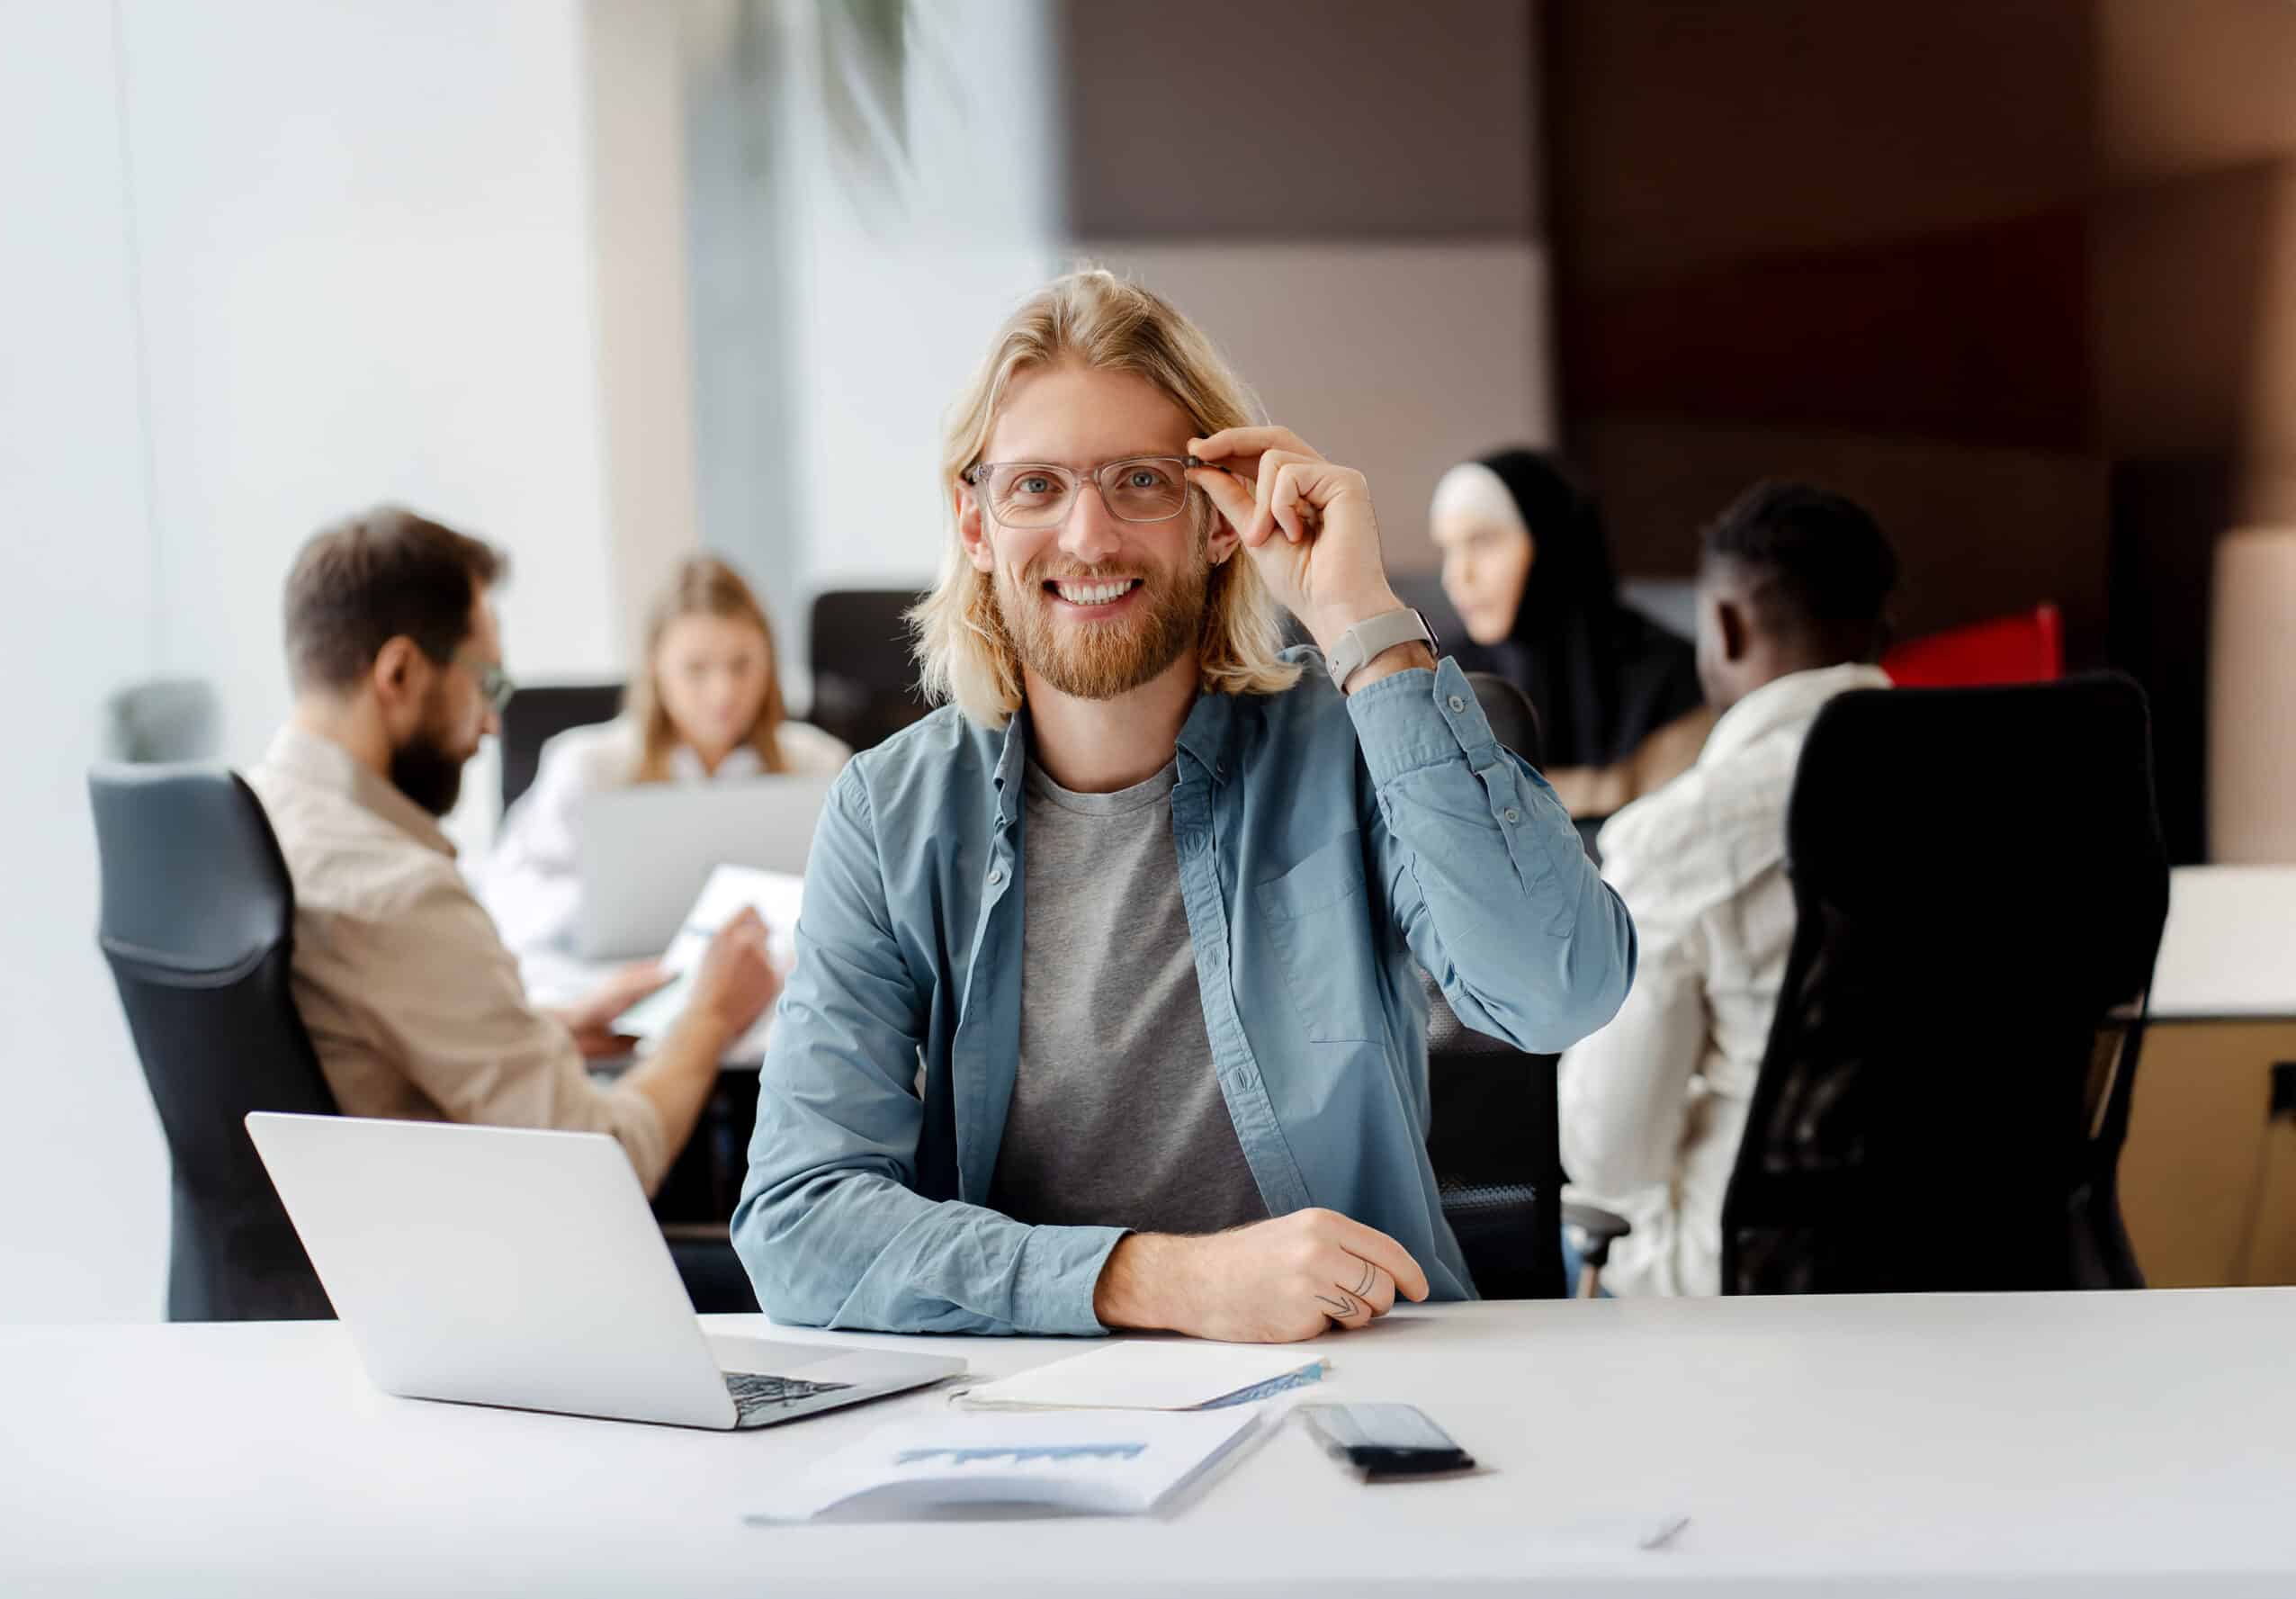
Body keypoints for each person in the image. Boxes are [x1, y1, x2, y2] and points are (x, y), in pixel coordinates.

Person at [731, 270, 1636, 1342]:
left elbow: (1559, 990)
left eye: (1141, 481)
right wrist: (1165, 1281)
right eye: (1036, 488)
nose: (1088, 537)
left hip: (1356, 1387)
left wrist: (1364, 619)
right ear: (975, 524)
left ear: (1218, 520)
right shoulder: (890, 811)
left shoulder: (1350, 747)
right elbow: (801, 1218)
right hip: (1018, 1413)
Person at [247, 508, 784, 1195]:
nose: (494, 723)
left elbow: (378, 1027)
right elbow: (603, 1160)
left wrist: (547, 1030)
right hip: (466, 1254)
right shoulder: (396, 889)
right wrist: (712, 1014)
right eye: (487, 683)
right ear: (400, 673)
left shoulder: (259, 823)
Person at [1556, 480, 1900, 1297]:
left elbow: (1614, 1151)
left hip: (1754, 1277)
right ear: (1884, 631)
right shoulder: (2004, 793)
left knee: (1583, 1224)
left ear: (1727, 624)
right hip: (1990, 1260)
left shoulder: (1680, 833)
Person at [480, 553, 850, 953]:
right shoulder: (588, 766)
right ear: (657, 669)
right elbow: (508, 895)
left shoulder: (818, 764)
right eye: (696, 669)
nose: (723, 692)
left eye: (742, 665)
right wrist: (609, 906)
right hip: (625, 976)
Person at [1428, 448, 1711, 817]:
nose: (1457, 576)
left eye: (1483, 541)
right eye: (1447, 549)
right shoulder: (1443, 678)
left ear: (1551, 542)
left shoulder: (1672, 679)